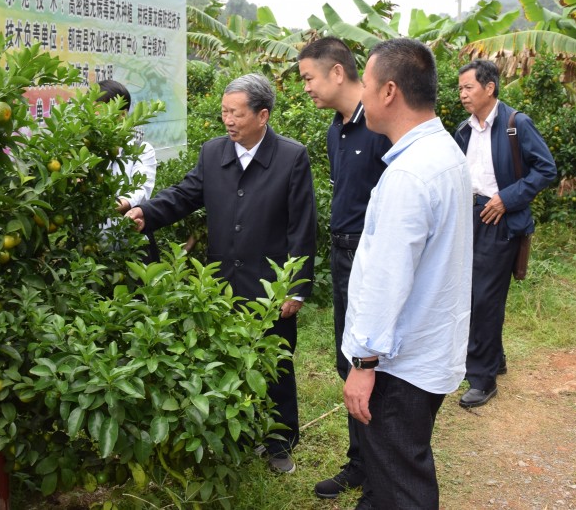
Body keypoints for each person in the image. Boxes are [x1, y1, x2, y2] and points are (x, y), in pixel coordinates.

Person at [126, 73, 317, 474]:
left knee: (274, 363)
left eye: (236, 113)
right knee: (225, 361)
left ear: (262, 115)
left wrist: (296, 288)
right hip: (222, 281)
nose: (228, 120)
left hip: (269, 284)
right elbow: (185, 194)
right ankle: (239, 437)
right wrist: (147, 212)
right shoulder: (214, 153)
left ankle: (280, 441)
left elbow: (302, 227)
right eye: (224, 112)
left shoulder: (290, 157)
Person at [342, 38, 472, 510]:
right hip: (427, 347)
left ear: (390, 91)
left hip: (399, 363)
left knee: (402, 485)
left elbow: (387, 279)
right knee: (388, 476)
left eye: (366, 85)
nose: (361, 97)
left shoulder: (411, 174)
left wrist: (364, 364)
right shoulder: (445, 154)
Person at [297, 37, 390, 500]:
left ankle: (381, 468)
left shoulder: (380, 126)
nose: (307, 88)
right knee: (346, 358)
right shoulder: (337, 130)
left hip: (372, 256)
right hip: (342, 253)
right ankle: (360, 462)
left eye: (309, 78)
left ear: (337, 72)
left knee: (373, 360)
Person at [454, 59, 556, 409]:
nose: (463, 95)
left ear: (489, 88)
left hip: (499, 219)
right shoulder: (463, 130)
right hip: (471, 217)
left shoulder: (516, 124)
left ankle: (482, 380)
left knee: (483, 299)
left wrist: (506, 199)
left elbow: (546, 169)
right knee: (476, 294)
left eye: (468, 88)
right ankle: (494, 360)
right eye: (460, 89)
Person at [97, 80, 159, 263]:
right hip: (90, 252)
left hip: (132, 249)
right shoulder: (83, 152)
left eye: (101, 111)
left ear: (122, 115)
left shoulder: (141, 149)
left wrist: (109, 206)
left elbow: (140, 191)